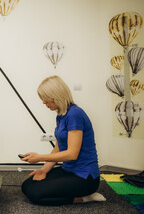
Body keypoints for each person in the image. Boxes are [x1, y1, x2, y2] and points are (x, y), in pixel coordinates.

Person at [20, 75, 106, 205]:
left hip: (85, 177)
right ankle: (76, 193)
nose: (43, 102)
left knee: (36, 195)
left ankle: (85, 198)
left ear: (56, 95)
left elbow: (72, 154)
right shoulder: (61, 115)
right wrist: (44, 170)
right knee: (27, 186)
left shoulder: (75, 114)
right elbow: (58, 148)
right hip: (68, 170)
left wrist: (39, 158)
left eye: (45, 98)